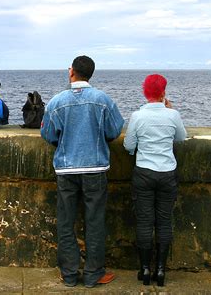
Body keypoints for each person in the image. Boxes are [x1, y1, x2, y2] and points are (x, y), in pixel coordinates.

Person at [41, 56, 124, 288]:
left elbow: (48, 134)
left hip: (67, 169)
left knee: (66, 222)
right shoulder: (102, 100)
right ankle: (93, 274)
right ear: (91, 74)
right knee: (95, 221)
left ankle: (69, 274)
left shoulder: (57, 102)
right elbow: (115, 129)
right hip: (95, 167)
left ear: (72, 72)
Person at [123, 74, 186, 287]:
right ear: (163, 93)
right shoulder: (173, 115)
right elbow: (181, 138)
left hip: (144, 172)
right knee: (164, 222)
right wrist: (169, 109)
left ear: (145, 92)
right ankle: (161, 271)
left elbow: (129, 145)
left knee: (144, 222)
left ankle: (145, 269)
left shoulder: (138, 116)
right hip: (167, 173)